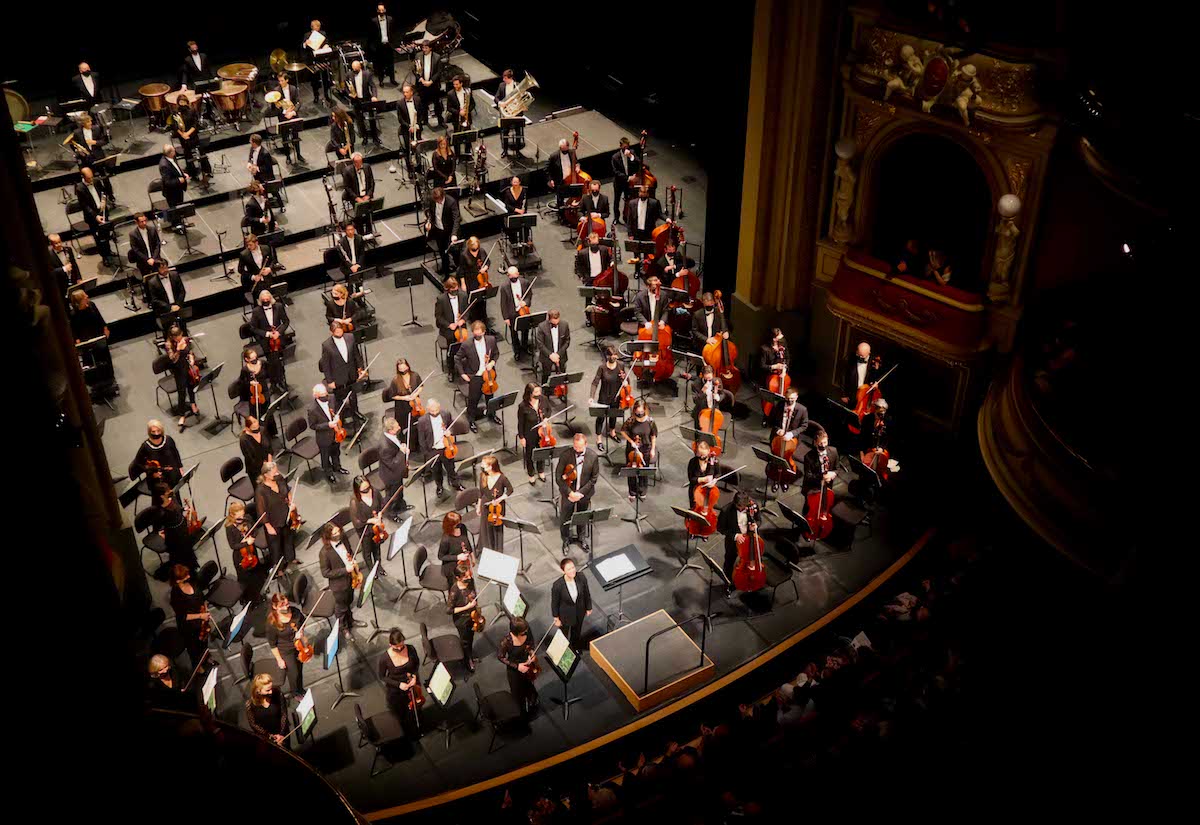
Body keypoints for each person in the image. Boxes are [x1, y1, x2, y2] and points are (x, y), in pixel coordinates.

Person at [455, 321, 500, 433]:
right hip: (475, 376)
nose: (477, 335)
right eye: (475, 332)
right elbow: (457, 358)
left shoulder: (491, 340)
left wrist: (492, 363)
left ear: (484, 332)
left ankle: (491, 414)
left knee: (490, 396)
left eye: (479, 333)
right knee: (473, 399)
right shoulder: (466, 344)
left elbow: (496, 353)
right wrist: (462, 374)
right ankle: (471, 420)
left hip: (489, 374)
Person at [319, 320, 367, 424]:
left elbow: (356, 354)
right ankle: (341, 417)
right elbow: (325, 365)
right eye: (337, 333)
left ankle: (355, 412)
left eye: (341, 331)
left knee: (353, 395)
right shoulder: (326, 345)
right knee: (339, 398)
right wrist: (329, 381)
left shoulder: (350, 337)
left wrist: (360, 368)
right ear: (332, 332)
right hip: (338, 377)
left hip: (351, 372)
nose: (340, 334)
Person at [557, 432, 598, 549]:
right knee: (565, 517)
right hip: (568, 493)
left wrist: (580, 493)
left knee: (582, 516)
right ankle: (565, 539)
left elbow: (593, 478)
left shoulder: (593, 456)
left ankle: (582, 538)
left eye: (580, 447)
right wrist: (570, 493)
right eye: (575, 447)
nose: (577, 450)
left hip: (584, 494)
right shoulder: (565, 455)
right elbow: (558, 477)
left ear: (586, 444)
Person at [318, 522, 362, 634]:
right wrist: (345, 570)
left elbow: (350, 551)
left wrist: (353, 559)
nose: (338, 534)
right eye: (335, 533)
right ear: (328, 535)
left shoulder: (344, 539)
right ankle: (343, 628)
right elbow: (325, 573)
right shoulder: (324, 553)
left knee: (349, 602)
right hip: (339, 585)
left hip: (351, 578)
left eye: (338, 531)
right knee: (341, 608)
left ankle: (351, 620)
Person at [379, 628, 422, 738]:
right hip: (396, 689)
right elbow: (382, 676)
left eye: (401, 645)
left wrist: (414, 677)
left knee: (415, 709)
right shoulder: (384, 658)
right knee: (401, 714)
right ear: (390, 644)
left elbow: (416, 664)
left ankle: (415, 726)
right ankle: (405, 733)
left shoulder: (411, 649)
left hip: (412, 684)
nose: (399, 648)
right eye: (396, 647)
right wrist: (399, 685)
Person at [416, 399, 464, 497]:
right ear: (428, 409)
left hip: (446, 447)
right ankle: (440, 486)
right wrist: (427, 453)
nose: (434, 413)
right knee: (436, 470)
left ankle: (455, 483)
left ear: (439, 407)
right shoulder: (422, 421)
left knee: (451, 468)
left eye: (436, 410)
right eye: (432, 411)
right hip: (433, 449)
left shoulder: (445, 414)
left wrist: (450, 431)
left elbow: (451, 426)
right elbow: (421, 439)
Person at [168, 563, 210, 672]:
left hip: (201, 618)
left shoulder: (191, 582)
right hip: (189, 626)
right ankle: (197, 666)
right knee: (194, 647)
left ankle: (205, 658)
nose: (189, 576)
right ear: (177, 581)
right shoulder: (176, 594)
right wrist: (201, 615)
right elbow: (183, 616)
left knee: (204, 641)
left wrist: (205, 607)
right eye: (185, 576)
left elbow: (202, 597)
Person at [265, 594, 308, 700]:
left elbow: (303, 623)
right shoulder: (272, 622)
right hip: (285, 651)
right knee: (294, 673)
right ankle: (295, 693)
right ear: (275, 607)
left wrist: (300, 632)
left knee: (300, 669)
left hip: (298, 646)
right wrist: (279, 660)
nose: (286, 608)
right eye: (282, 606)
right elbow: (273, 644)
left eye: (287, 604)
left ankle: (300, 688)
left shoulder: (295, 612)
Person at [254, 460, 295, 568]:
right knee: (275, 547)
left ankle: (291, 558)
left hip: (285, 515)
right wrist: (268, 527)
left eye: (277, 471)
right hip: (273, 520)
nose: (277, 474)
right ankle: (279, 568)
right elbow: (261, 511)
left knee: (288, 539)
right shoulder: (260, 490)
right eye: (274, 473)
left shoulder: (279, 478)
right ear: (266, 475)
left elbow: (287, 491)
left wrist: (291, 502)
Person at [151, 484, 199, 571]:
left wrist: (185, 509)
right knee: (180, 554)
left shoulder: (172, 498)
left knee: (188, 548)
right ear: (162, 496)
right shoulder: (161, 512)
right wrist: (162, 533)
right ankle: (181, 572)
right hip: (174, 535)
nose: (170, 491)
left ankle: (191, 568)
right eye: (167, 491)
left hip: (182, 528)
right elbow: (157, 527)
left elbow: (179, 508)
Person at [770, 387, 809, 494]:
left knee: (787, 460)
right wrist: (778, 431)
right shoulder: (779, 405)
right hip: (777, 438)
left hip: (792, 440)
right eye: (787, 398)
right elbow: (771, 420)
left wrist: (792, 433)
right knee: (776, 459)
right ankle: (776, 480)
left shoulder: (802, 410)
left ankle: (784, 480)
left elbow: (804, 426)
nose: (789, 401)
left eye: (792, 398)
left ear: (796, 397)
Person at [498, 617, 539, 717]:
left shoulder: (526, 632)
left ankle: (532, 706)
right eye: (523, 632)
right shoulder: (506, 642)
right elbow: (501, 657)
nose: (526, 632)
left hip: (527, 665)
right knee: (518, 695)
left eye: (526, 631)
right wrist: (517, 666)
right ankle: (522, 715)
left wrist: (532, 653)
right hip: (514, 671)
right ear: (515, 632)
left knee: (530, 688)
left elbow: (531, 643)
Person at [250, 289, 290, 390]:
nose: (266, 300)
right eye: (264, 299)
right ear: (260, 300)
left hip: (278, 339)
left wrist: (278, 332)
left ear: (271, 299)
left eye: (267, 298)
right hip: (266, 341)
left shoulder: (279, 307)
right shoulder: (256, 311)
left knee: (279, 361)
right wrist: (267, 334)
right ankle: (274, 382)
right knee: (272, 361)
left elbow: (286, 321)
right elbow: (253, 328)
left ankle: (279, 380)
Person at [225, 499, 267, 597]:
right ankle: (248, 596)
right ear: (232, 516)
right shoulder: (229, 527)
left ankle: (259, 591)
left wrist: (252, 536)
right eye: (239, 517)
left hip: (251, 551)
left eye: (243, 515)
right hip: (240, 556)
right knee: (245, 578)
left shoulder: (247, 518)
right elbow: (233, 545)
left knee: (256, 571)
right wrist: (245, 543)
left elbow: (255, 530)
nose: (242, 518)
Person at [308, 382, 348, 483]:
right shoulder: (312, 409)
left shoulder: (332, 398)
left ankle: (337, 467)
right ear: (316, 396)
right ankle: (329, 474)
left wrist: (338, 416)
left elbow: (337, 410)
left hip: (335, 433)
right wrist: (327, 425)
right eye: (323, 396)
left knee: (336, 452)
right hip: (324, 437)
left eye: (326, 394)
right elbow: (313, 426)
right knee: (325, 458)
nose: (326, 397)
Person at [164, 323, 200, 429]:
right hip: (178, 370)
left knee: (191, 386)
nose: (179, 339)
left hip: (187, 367)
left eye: (180, 336)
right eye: (177, 338)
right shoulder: (168, 344)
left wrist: (192, 358)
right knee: (182, 392)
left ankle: (193, 404)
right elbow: (173, 360)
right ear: (172, 337)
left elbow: (190, 351)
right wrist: (178, 350)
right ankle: (182, 415)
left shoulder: (185, 339)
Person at [74, 167, 114, 262]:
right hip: (92, 216)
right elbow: (85, 206)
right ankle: (104, 257)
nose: (91, 179)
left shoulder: (96, 181)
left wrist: (104, 200)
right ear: (83, 177)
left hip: (102, 211)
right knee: (98, 237)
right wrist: (96, 216)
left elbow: (103, 192)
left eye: (91, 177)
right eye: (89, 178)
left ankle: (109, 251)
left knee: (106, 233)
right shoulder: (80, 189)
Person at [550, 558, 592, 651]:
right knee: (563, 635)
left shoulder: (581, 577)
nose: (572, 570)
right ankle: (562, 651)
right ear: (563, 571)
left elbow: (586, 593)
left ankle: (575, 648)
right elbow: (554, 603)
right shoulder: (557, 585)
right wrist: (556, 618)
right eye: (569, 569)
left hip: (579, 611)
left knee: (576, 632)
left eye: (573, 567)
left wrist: (589, 607)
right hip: (565, 615)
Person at [350, 475, 387, 577]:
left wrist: (380, 513)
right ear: (358, 491)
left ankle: (378, 565)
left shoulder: (375, 492)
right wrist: (370, 520)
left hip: (376, 528)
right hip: (365, 530)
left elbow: (382, 504)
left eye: (368, 488)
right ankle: (372, 569)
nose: (368, 491)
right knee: (367, 551)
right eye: (364, 490)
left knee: (377, 548)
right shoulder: (355, 501)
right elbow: (356, 522)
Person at [621, 399, 657, 501]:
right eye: (637, 412)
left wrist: (653, 449)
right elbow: (623, 431)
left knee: (643, 470)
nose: (639, 414)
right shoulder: (631, 420)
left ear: (645, 410)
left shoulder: (650, 421)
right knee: (631, 470)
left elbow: (653, 436)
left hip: (645, 448)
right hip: (632, 449)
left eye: (641, 412)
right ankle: (632, 492)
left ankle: (642, 491)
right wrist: (630, 441)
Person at [589, 346, 625, 449]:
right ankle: (599, 439)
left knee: (613, 415)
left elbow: (626, 379)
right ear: (607, 356)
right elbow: (595, 383)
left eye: (615, 355)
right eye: (612, 355)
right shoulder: (602, 368)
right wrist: (591, 396)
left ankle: (612, 432)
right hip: (604, 397)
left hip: (616, 396)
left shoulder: (621, 365)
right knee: (600, 418)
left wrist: (625, 381)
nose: (614, 357)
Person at [476, 454, 514, 551]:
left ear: (491, 466)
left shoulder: (502, 478)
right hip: (485, 505)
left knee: (497, 528)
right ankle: (487, 548)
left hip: (497, 507)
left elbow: (510, 490)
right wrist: (478, 505)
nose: (482, 466)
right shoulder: (483, 476)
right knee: (485, 527)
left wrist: (500, 499)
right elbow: (481, 492)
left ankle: (497, 549)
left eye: (484, 465)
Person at [130, 419, 182, 487]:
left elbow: (175, 453)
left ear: (161, 430)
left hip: (170, 473)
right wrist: (151, 473)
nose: (156, 433)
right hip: (156, 478)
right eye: (153, 431)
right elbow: (138, 463)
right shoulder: (146, 446)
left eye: (158, 431)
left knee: (175, 490)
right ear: (149, 432)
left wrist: (180, 467)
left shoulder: (168, 440)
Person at [716, 492, 754, 584]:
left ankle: (747, 578)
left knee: (749, 559)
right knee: (729, 562)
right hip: (732, 542)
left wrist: (755, 525)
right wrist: (735, 536)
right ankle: (728, 583)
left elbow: (758, 520)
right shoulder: (726, 511)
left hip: (750, 539)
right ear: (735, 504)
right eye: (741, 507)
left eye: (745, 506)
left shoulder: (752, 506)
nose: (743, 508)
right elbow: (720, 528)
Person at [448, 563, 480, 670]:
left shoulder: (470, 582)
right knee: (465, 641)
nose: (469, 578)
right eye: (465, 576)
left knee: (471, 637)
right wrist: (467, 606)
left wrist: (476, 609)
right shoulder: (454, 591)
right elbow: (449, 610)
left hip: (472, 616)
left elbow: (474, 595)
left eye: (469, 575)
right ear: (458, 578)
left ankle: (469, 654)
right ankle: (467, 659)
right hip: (462, 620)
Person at [517, 382, 550, 483]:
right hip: (529, 433)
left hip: (542, 431)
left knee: (542, 451)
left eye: (539, 391)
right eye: (536, 392)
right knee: (529, 454)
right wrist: (522, 437)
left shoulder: (543, 399)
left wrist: (546, 418)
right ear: (530, 393)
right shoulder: (523, 406)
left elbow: (549, 410)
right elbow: (520, 423)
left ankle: (540, 470)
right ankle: (531, 473)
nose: (539, 393)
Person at [246, 673, 290, 747]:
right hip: (265, 737)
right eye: (267, 690)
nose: (271, 692)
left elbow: (283, 714)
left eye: (271, 688)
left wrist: (281, 734)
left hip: (282, 731)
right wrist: (271, 736)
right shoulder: (250, 704)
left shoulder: (278, 694)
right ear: (258, 691)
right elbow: (253, 724)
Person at [379, 416, 411, 517]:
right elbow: (392, 463)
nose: (399, 428)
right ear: (390, 430)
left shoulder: (391, 437)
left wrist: (402, 448)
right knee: (392, 496)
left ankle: (401, 506)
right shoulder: (385, 447)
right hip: (391, 475)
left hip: (397, 472)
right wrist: (402, 452)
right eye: (397, 427)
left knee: (399, 491)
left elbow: (396, 448)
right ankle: (391, 513)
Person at [170, 99, 209, 183]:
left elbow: (195, 124)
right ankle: (192, 173)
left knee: (201, 151)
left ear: (187, 102)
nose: (182, 103)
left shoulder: (192, 110)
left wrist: (188, 133)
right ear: (178, 103)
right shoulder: (175, 113)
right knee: (188, 154)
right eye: (180, 102)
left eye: (183, 101)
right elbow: (175, 127)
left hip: (192, 134)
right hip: (183, 137)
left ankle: (206, 170)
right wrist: (183, 135)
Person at [424, 186, 461, 276]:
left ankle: (460, 272)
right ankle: (446, 271)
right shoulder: (432, 200)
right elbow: (431, 213)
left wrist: (454, 234)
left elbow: (457, 219)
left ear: (443, 196)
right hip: (438, 230)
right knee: (442, 252)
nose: (437, 202)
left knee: (455, 252)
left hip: (449, 231)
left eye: (439, 200)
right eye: (436, 201)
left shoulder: (451, 202)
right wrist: (429, 222)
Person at [801, 429, 840, 512]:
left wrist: (832, 474)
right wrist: (822, 477)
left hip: (827, 486)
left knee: (825, 506)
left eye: (825, 443)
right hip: (812, 486)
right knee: (810, 507)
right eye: (820, 443)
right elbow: (808, 475)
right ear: (815, 442)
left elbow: (837, 469)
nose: (823, 445)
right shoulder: (808, 457)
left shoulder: (834, 451)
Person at [499, 266, 533, 358]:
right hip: (512, 313)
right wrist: (505, 317)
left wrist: (525, 302)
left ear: (518, 274)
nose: (514, 277)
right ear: (508, 276)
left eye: (515, 275)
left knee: (525, 330)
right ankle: (517, 351)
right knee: (514, 333)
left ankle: (525, 347)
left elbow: (529, 295)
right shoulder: (504, 287)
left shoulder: (525, 283)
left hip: (523, 310)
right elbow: (503, 303)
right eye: (511, 276)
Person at [759, 328, 790, 425]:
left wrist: (785, 368)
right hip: (769, 375)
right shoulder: (764, 349)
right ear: (774, 339)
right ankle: (766, 416)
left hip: (782, 374)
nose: (782, 338)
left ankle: (779, 417)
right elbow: (761, 366)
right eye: (779, 336)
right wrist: (774, 366)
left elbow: (787, 358)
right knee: (769, 397)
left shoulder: (783, 346)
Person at [239, 345, 273, 426]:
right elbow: (241, 383)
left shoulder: (263, 363)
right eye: (252, 358)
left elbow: (270, 375)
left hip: (264, 391)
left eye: (255, 356)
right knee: (256, 415)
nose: (255, 359)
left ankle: (271, 431)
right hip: (252, 395)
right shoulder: (245, 370)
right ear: (247, 359)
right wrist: (250, 383)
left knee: (268, 413)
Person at [534, 310, 571, 385]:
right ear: (549, 319)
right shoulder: (542, 326)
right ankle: (546, 391)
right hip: (547, 356)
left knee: (562, 375)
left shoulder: (565, 325)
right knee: (546, 375)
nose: (556, 323)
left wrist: (558, 354)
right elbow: (540, 344)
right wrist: (550, 355)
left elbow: (567, 341)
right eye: (554, 322)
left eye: (558, 321)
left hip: (561, 355)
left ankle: (562, 392)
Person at [610, 137, 642, 224]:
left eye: (627, 147)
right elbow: (616, 172)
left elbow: (639, 162)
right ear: (620, 146)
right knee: (617, 200)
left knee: (628, 200)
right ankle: (616, 218)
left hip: (629, 183)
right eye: (624, 147)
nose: (626, 149)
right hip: (619, 182)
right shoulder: (615, 157)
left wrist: (631, 156)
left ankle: (626, 216)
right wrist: (628, 178)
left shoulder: (632, 152)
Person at [238, 234, 277, 302]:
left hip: (267, 279)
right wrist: (253, 277)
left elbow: (273, 261)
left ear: (256, 243)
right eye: (247, 245)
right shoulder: (244, 254)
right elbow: (240, 270)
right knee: (258, 300)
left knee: (270, 297)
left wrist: (269, 269)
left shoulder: (266, 248)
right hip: (254, 283)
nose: (248, 247)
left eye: (250, 245)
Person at [158, 145, 189, 231]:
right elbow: (167, 182)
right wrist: (180, 180)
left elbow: (175, 168)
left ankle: (180, 222)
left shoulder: (171, 158)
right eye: (174, 151)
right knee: (175, 209)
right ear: (170, 153)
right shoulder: (164, 165)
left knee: (180, 207)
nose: (175, 151)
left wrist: (182, 173)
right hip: (172, 192)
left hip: (178, 190)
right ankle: (177, 227)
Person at [437, 511, 475, 582]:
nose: (459, 526)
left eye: (459, 523)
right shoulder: (446, 540)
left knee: (468, 579)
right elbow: (441, 556)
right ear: (450, 526)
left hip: (463, 561)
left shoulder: (462, 527)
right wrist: (457, 557)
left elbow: (466, 541)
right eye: (457, 525)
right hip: (452, 565)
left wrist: (472, 555)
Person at [239, 410, 272, 488]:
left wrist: (269, 462)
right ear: (248, 427)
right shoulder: (244, 440)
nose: (256, 423)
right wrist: (264, 467)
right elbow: (250, 458)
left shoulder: (262, 430)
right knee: (261, 489)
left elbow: (269, 447)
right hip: (255, 469)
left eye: (255, 421)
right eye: (253, 423)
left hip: (267, 464)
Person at [303, 20, 333, 105]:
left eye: (318, 27)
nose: (317, 28)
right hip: (312, 61)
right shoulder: (307, 35)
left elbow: (327, 42)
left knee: (325, 78)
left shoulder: (323, 33)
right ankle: (316, 95)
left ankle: (326, 94)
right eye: (315, 27)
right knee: (314, 80)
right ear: (312, 27)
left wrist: (326, 45)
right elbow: (303, 46)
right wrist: (305, 43)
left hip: (322, 59)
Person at [841, 342, 880, 407]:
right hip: (852, 392)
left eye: (862, 356)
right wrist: (843, 394)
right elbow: (843, 377)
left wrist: (876, 383)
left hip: (865, 394)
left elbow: (875, 376)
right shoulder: (849, 359)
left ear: (869, 353)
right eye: (858, 354)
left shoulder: (874, 361)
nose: (859, 357)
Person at [545, 137, 578, 215]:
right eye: (562, 150)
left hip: (571, 179)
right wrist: (550, 180)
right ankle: (562, 215)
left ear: (568, 147)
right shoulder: (554, 156)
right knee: (560, 199)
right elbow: (547, 169)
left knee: (575, 195)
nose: (564, 152)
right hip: (560, 180)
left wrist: (578, 166)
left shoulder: (572, 152)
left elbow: (577, 162)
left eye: (566, 150)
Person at [342, 154, 376, 224]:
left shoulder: (367, 167)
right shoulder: (348, 171)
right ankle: (360, 233)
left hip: (366, 195)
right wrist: (356, 198)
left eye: (361, 162)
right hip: (356, 197)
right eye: (357, 162)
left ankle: (369, 232)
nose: (360, 164)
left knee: (368, 215)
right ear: (354, 163)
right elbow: (347, 187)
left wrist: (368, 195)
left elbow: (372, 182)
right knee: (359, 216)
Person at [414, 42, 443, 124]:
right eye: (423, 48)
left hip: (433, 85)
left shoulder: (437, 57)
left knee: (437, 103)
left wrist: (431, 81)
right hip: (422, 85)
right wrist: (421, 80)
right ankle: (425, 120)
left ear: (430, 48)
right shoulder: (418, 56)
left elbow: (439, 71)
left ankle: (440, 120)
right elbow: (415, 70)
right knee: (423, 103)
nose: (424, 50)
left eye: (426, 48)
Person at [688, 439, 721, 510]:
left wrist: (714, 480)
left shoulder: (714, 461)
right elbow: (691, 479)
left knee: (708, 507)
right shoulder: (692, 462)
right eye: (700, 454)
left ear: (709, 451)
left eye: (704, 455)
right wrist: (704, 479)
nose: (702, 457)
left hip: (709, 490)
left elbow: (718, 474)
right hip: (695, 489)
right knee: (695, 508)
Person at [128, 213, 164, 277]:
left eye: (145, 220)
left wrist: (153, 258)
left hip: (155, 259)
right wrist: (147, 259)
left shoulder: (152, 229)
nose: (144, 223)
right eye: (142, 221)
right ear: (136, 222)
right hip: (143, 261)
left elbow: (157, 244)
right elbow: (136, 250)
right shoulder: (133, 234)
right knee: (147, 280)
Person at [396, 83, 423, 167]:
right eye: (404, 92)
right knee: (408, 149)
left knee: (418, 148)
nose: (405, 94)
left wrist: (418, 124)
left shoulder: (418, 100)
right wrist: (409, 126)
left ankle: (418, 165)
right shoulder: (400, 103)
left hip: (417, 128)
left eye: (407, 92)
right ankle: (410, 168)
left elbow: (422, 114)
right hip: (406, 130)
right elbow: (400, 119)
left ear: (411, 92)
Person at [368, 6, 396, 86]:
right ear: (377, 10)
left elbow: (393, 32)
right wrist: (373, 46)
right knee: (380, 64)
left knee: (391, 64)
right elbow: (371, 34)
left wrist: (393, 43)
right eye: (379, 10)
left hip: (388, 45)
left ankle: (392, 79)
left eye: (382, 10)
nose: (381, 11)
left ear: (385, 10)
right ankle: (381, 80)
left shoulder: (390, 19)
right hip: (379, 46)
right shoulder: (373, 21)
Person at [500, 177, 531, 245]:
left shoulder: (523, 191)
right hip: (512, 212)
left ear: (519, 182)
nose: (515, 184)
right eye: (514, 182)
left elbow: (525, 203)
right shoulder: (508, 192)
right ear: (511, 183)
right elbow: (507, 205)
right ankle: (514, 242)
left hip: (521, 212)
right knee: (512, 225)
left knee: (526, 225)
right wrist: (516, 210)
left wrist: (523, 210)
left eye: (517, 182)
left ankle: (524, 241)